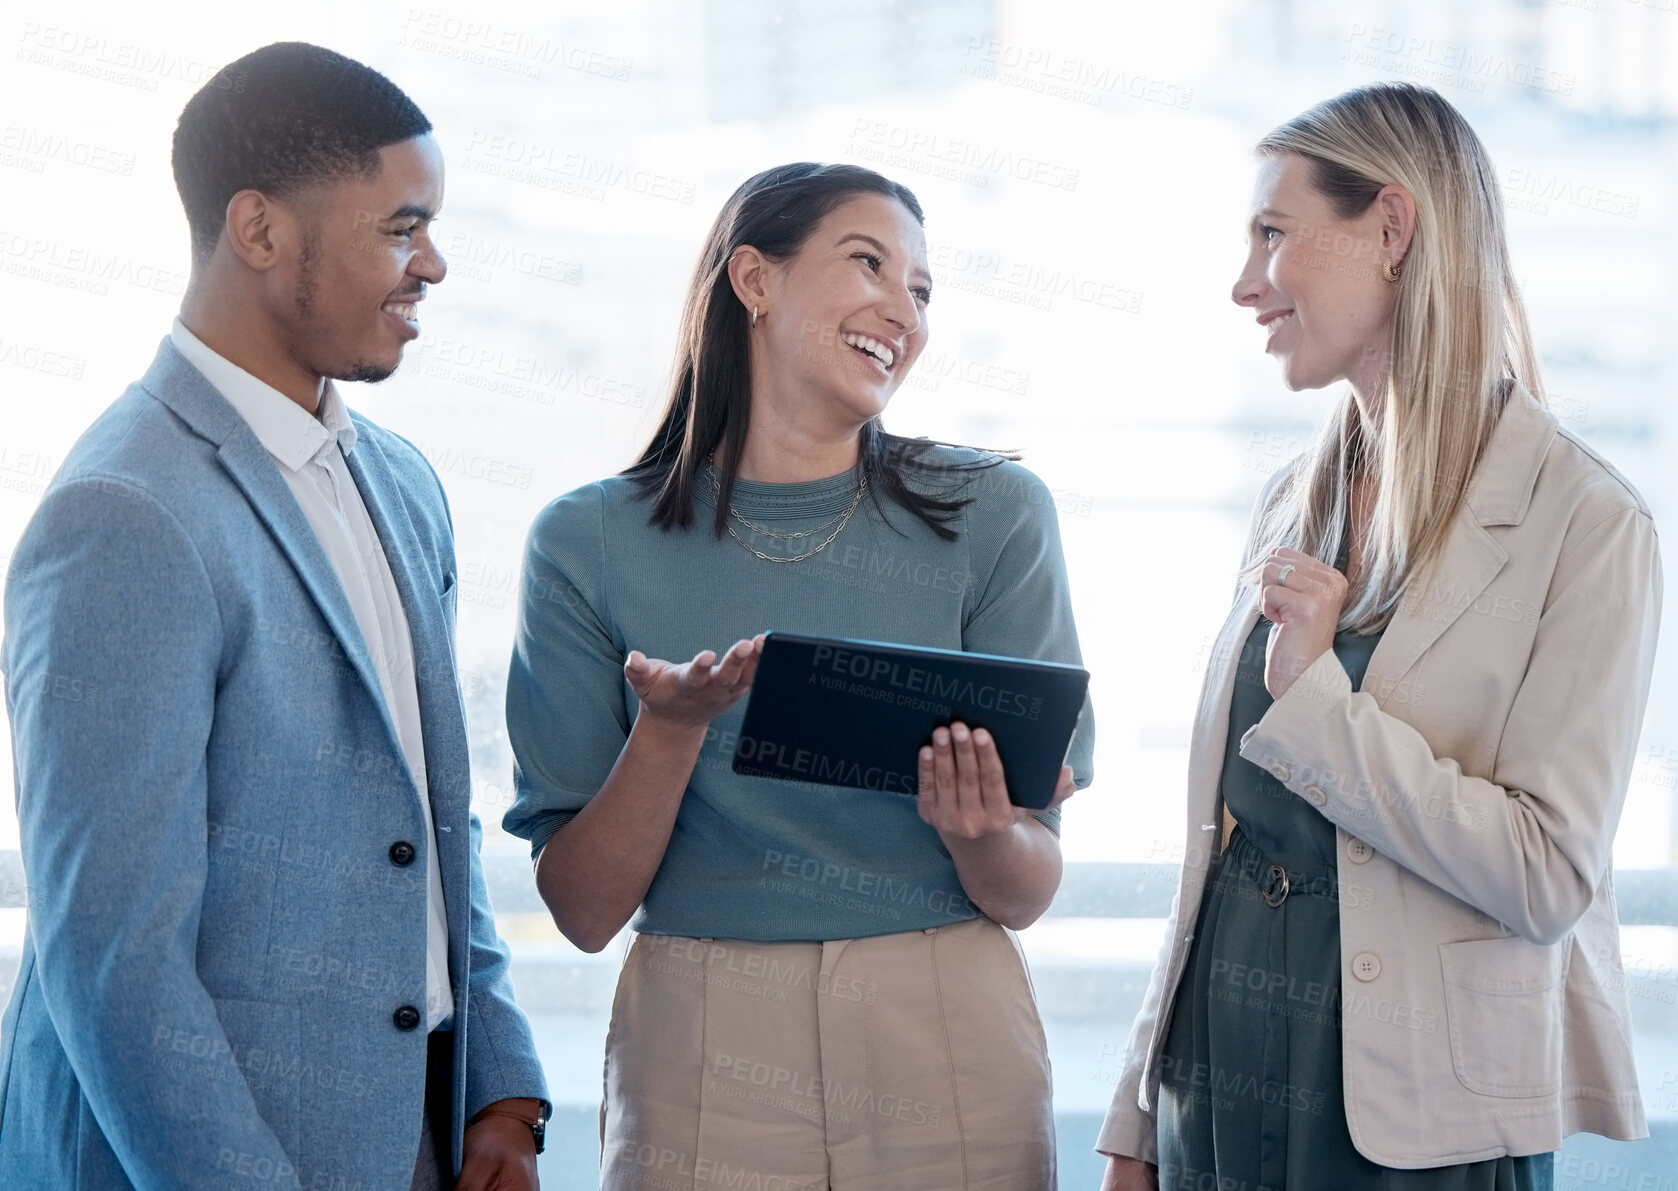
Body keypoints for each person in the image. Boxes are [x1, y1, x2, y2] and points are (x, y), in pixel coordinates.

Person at [0, 43, 549, 1191]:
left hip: (418, 1129)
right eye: (401, 227)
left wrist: (500, 1089)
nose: (434, 264)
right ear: (259, 231)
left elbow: (432, 827)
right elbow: (114, 964)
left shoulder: (401, 482)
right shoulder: (124, 515)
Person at [1098, 82, 1661, 1191]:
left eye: (1273, 233)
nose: (1245, 284)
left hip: (1413, 1128)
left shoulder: (1587, 525)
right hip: (1211, 1079)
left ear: (1391, 230)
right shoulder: (1287, 503)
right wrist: (1134, 1113)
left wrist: (1318, 706)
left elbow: (1546, 876)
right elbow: (1215, 851)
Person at [503, 162, 1095, 1190]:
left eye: (919, 290)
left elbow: (1029, 886)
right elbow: (583, 911)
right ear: (754, 280)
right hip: (700, 1025)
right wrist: (671, 730)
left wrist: (982, 831)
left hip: (944, 1015)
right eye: (867, 263)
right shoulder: (584, 542)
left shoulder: (996, 514)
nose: (900, 310)